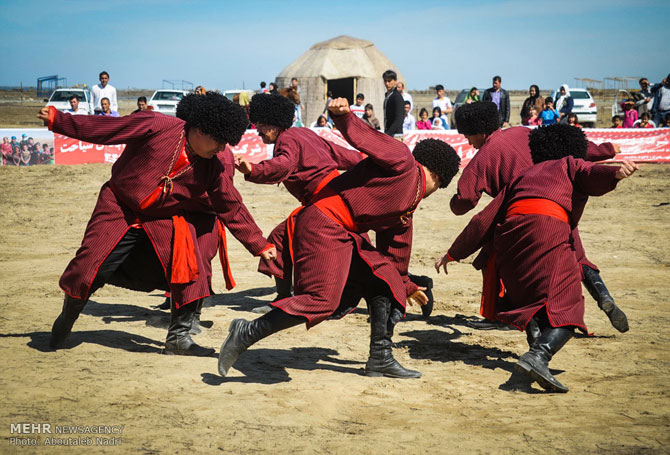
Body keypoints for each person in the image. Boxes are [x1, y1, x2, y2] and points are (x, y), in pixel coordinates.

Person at [218, 97, 461, 379]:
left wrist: (405, 286)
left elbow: (396, 257)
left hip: (340, 228)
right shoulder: (403, 160)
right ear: (439, 178)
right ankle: (247, 331)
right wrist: (343, 117)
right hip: (323, 221)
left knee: (384, 279)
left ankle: (380, 358)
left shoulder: (406, 211)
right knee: (321, 300)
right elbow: (365, 140)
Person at [37, 91, 277, 356]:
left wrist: (259, 244)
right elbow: (109, 129)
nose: (222, 148)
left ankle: (178, 339)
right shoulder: (157, 125)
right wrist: (60, 121)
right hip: (120, 204)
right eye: (218, 141)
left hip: (162, 216)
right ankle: (66, 320)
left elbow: (230, 205)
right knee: (89, 266)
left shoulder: (215, 164)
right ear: (199, 128)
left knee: (190, 265)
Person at [438, 124, 638, 392]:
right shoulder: (570, 164)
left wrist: (453, 253)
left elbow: (483, 219)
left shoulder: (521, 176)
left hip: (509, 243)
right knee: (568, 308)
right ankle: (539, 356)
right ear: (573, 149)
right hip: (548, 229)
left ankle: (531, 362)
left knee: (532, 301)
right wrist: (615, 172)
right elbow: (591, 173)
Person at [451, 101, 628, 333]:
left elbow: (464, 201)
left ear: (481, 131)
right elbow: (566, 144)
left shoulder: (481, 159)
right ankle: (604, 297)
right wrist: (606, 150)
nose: (468, 142)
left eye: (468, 137)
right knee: (575, 251)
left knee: (492, 257)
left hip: (520, 216)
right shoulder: (523, 132)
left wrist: (453, 202)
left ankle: (504, 315)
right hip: (558, 203)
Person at [234, 93, 364, 306]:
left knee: (279, 239)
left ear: (274, 125)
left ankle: (284, 297)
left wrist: (252, 169)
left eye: (261, 125)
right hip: (339, 201)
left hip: (324, 207)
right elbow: (339, 154)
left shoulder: (287, 140)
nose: (257, 130)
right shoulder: (304, 133)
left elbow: (283, 165)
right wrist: (364, 159)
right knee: (364, 254)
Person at [382, 70, 404, 136]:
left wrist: (388, 133)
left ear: (395, 81)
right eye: (385, 81)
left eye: (389, 81)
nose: (387, 83)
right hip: (388, 133)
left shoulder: (397, 96)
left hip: (395, 135)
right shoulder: (388, 96)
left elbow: (399, 119)